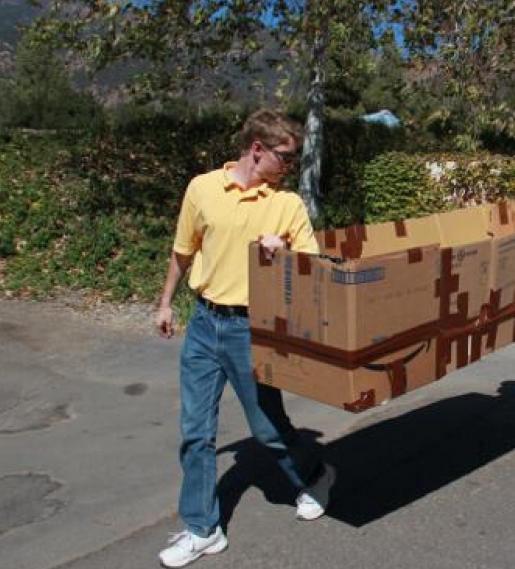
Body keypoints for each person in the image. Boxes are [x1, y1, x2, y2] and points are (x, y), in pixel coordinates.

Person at [154, 109, 333, 568]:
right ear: (258, 149)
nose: (289, 166)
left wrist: (285, 251)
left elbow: (315, 268)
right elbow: (183, 249)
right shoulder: (203, 188)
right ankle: (202, 528)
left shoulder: (286, 204)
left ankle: (314, 474)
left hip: (250, 330)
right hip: (203, 323)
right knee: (196, 434)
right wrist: (164, 303)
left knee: (267, 429)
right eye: (284, 157)